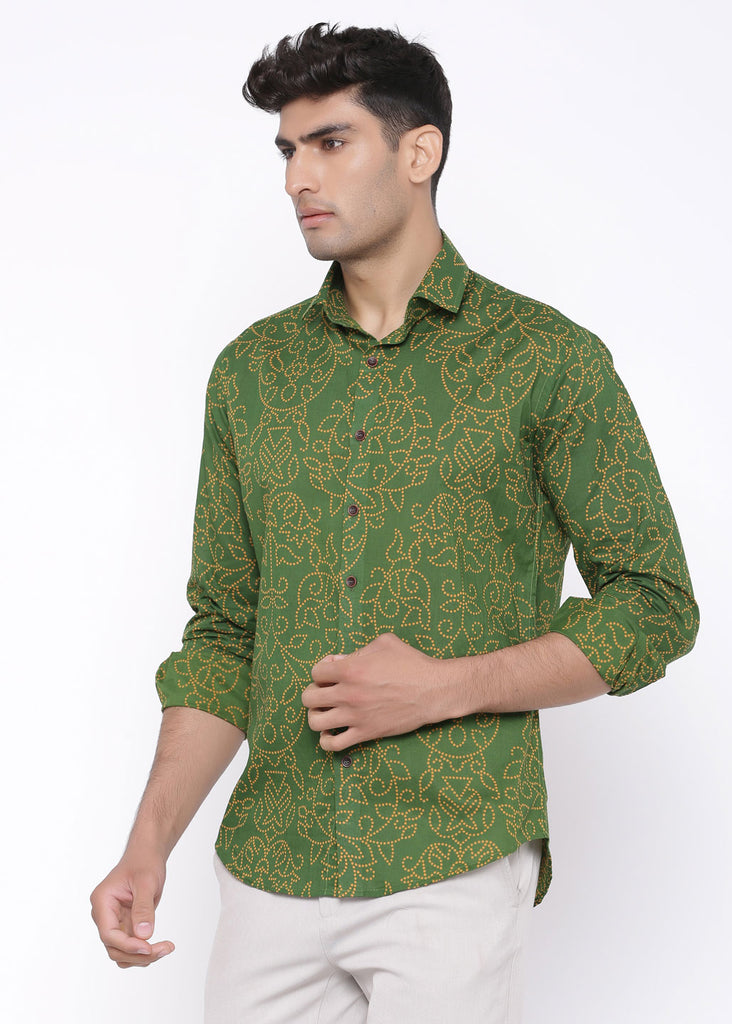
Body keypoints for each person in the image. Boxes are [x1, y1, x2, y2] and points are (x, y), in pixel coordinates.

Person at [90, 22, 699, 1023]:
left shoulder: (546, 361)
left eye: (331, 142)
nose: (299, 177)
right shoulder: (252, 373)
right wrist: (147, 843)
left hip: (451, 854)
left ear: (420, 152)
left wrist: (443, 688)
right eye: (288, 150)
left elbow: (655, 606)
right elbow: (225, 635)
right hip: (272, 861)